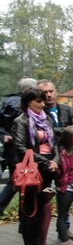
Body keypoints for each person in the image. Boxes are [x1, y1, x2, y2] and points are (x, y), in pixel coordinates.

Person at [11, 88, 59, 245]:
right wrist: (46, 162)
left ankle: (39, 244)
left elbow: (55, 143)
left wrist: (55, 161)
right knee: (30, 209)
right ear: (28, 102)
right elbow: (21, 148)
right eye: (38, 101)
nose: (42, 104)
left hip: (47, 169)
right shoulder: (21, 121)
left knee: (41, 207)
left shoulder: (47, 119)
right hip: (31, 170)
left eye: (43, 101)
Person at [37, 79, 73, 241]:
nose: (48, 95)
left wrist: (58, 131)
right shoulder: (39, 113)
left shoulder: (67, 109)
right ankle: (39, 232)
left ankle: (64, 229)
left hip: (68, 157)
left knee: (65, 192)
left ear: (55, 92)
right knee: (42, 194)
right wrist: (67, 132)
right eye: (45, 92)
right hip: (47, 158)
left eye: (51, 91)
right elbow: (45, 132)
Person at [0, 77, 38, 215]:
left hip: (9, 150)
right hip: (23, 150)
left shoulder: (5, 102)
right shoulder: (25, 105)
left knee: (15, 180)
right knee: (19, 181)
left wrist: (4, 136)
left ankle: (23, 217)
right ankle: (25, 215)